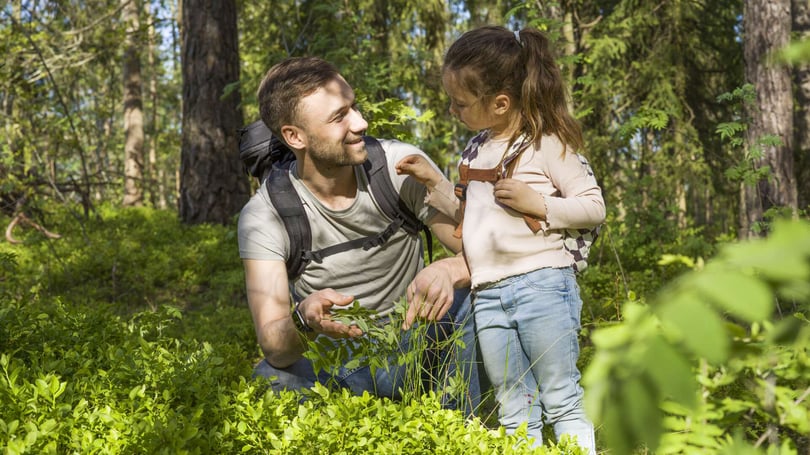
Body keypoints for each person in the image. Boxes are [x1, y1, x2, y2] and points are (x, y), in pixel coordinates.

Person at [396, 26, 605, 453]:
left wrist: (539, 203)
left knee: (561, 395)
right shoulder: (474, 152)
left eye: (460, 103)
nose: (453, 110)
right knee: (513, 402)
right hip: (488, 295)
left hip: (543, 285)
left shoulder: (547, 144)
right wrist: (433, 181)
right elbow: (474, 222)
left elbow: (593, 207)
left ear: (500, 103)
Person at [237, 56, 479, 414]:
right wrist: (305, 320)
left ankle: (463, 428)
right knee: (268, 382)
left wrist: (450, 270)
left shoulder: (399, 169)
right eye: (339, 117)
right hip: (340, 368)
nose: (361, 123)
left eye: (354, 107)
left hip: (419, 343)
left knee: (486, 298)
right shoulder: (264, 216)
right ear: (294, 136)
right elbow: (275, 345)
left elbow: (492, 255)